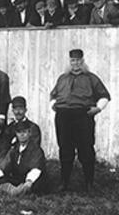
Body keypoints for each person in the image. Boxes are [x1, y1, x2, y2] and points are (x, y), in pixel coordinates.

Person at [50, 49, 110, 191]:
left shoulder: (91, 78)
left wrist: (98, 108)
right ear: (69, 62)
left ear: (82, 62)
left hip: (83, 116)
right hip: (63, 117)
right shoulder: (62, 78)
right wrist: (54, 106)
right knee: (65, 149)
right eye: (72, 61)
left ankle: (89, 183)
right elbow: (53, 95)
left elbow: (104, 96)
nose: (75, 64)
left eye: (78, 61)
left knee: (86, 149)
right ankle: (64, 183)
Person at [0, 122, 47, 196]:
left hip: (30, 180)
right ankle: (15, 191)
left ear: (29, 133)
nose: (22, 135)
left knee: (36, 184)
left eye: (24, 132)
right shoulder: (14, 149)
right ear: (16, 134)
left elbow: (36, 169)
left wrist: (29, 182)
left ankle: (14, 191)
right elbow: (3, 166)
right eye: (19, 132)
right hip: (17, 179)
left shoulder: (36, 149)